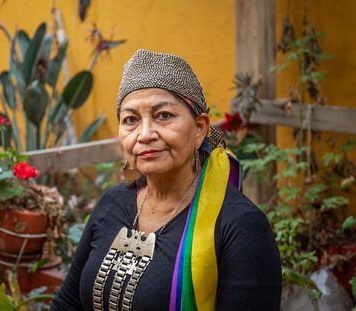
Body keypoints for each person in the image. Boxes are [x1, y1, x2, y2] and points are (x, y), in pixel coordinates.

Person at [51, 49, 281, 311]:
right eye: (131, 120)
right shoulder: (112, 203)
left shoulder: (239, 227)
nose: (145, 134)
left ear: (199, 128)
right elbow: (68, 303)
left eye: (164, 116)